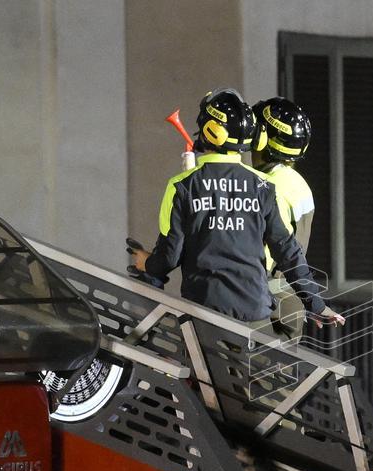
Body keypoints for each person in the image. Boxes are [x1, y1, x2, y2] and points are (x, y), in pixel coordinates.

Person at [130, 88, 343, 334]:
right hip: (257, 317)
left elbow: (168, 257)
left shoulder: (181, 186)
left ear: (210, 130)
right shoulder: (264, 186)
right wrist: (315, 303)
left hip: (205, 315)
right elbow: (287, 250)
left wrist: (146, 263)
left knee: (199, 372)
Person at [250, 97, 318, 341]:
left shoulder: (268, 187)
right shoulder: (296, 183)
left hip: (267, 310)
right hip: (287, 304)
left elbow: (261, 261)